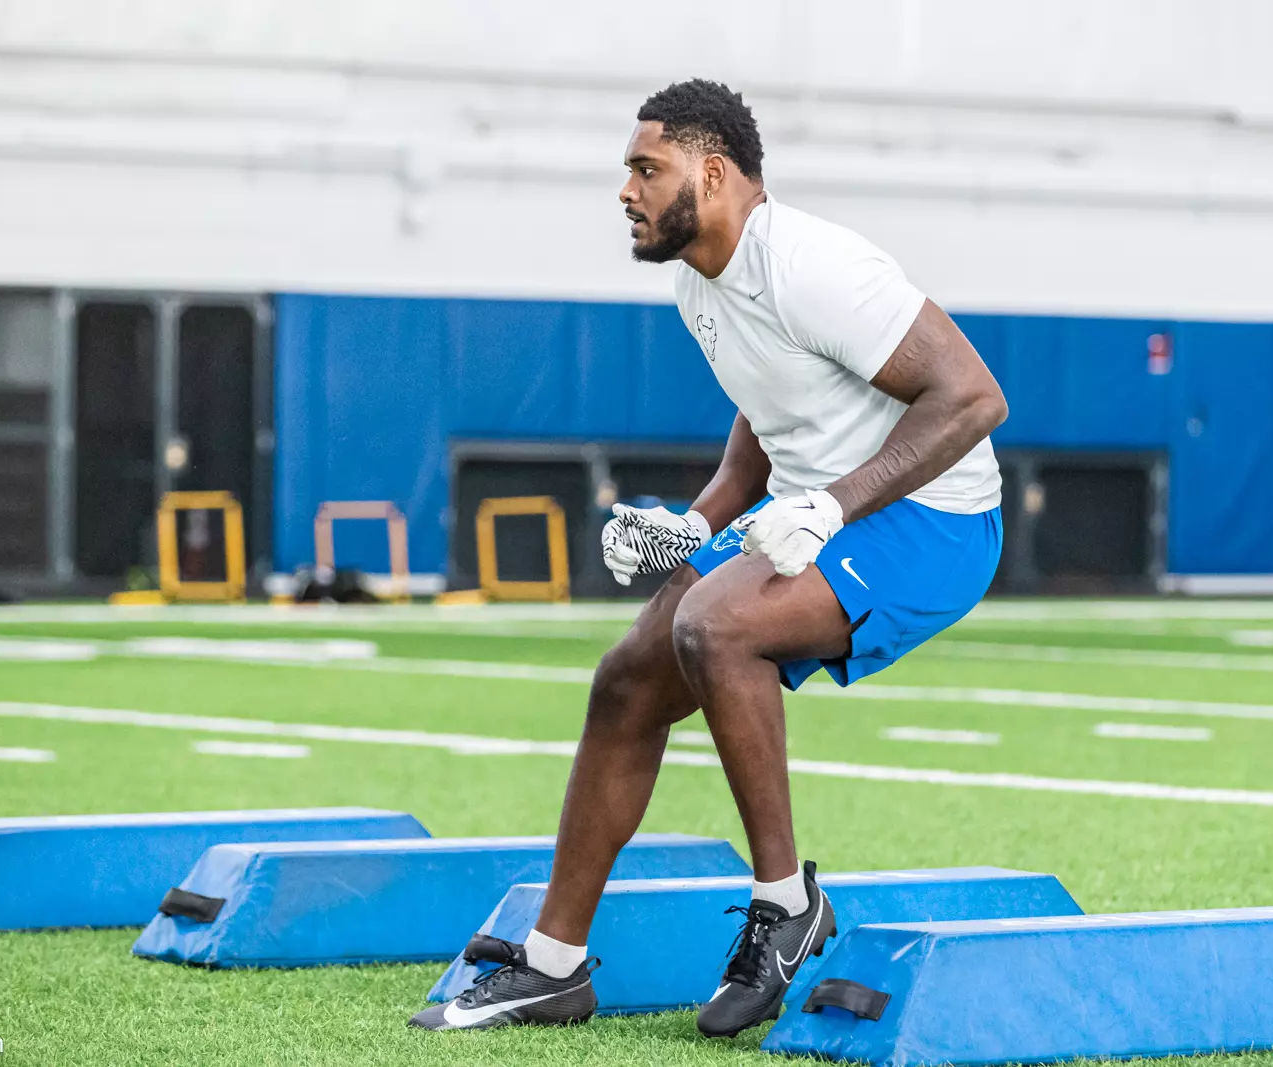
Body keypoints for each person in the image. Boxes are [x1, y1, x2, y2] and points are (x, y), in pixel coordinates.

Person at [411, 78, 1006, 1038]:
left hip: (935, 516)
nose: (627, 190)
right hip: (822, 505)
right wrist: (698, 523)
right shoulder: (699, 279)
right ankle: (554, 965)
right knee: (626, 680)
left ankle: (786, 906)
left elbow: (974, 398)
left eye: (647, 168)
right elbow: (768, 413)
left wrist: (830, 504)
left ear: (714, 171)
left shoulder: (814, 264)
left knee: (715, 627)